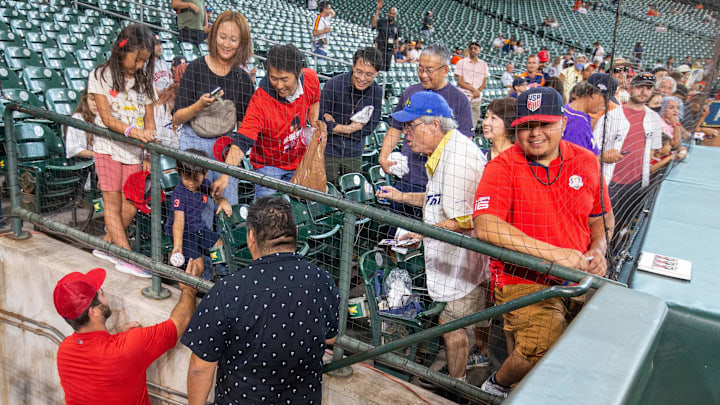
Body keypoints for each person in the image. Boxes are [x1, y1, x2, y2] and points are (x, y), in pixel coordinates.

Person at [473, 87, 613, 398]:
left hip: (580, 270)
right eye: (526, 126)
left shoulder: (587, 160)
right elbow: (486, 226)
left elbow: (600, 217)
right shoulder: (502, 166)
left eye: (545, 124)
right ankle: (495, 384)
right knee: (540, 345)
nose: (535, 134)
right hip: (525, 276)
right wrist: (554, 256)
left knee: (595, 342)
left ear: (563, 122)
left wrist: (598, 249)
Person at [376, 91, 491, 380]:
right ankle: (462, 373)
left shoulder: (457, 160)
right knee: (453, 325)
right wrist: (402, 195)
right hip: (455, 261)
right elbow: (437, 198)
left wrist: (423, 234)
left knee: (452, 327)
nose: (405, 134)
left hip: (465, 263)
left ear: (434, 126)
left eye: (411, 126)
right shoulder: (445, 150)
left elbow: (466, 220)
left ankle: (458, 385)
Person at [182, 196, 340, 404]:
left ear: (251, 238)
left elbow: (200, 368)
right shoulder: (323, 280)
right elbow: (330, 338)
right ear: (295, 234)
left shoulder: (229, 291)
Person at [55, 264, 202, 404]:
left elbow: (98, 365)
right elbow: (182, 320)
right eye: (102, 294)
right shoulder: (126, 348)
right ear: (94, 312)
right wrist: (188, 289)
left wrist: (120, 339)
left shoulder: (64, 350)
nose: (105, 295)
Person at [378, 44, 472, 225]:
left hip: (438, 184)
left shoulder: (459, 100)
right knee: (397, 235)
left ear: (445, 70)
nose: (422, 74)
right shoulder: (411, 92)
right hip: (407, 176)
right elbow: (396, 128)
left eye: (429, 70)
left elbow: (464, 145)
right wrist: (383, 156)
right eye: (420, 68)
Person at [217, 44, 321, 199]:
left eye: (285, 79)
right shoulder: (260, 100)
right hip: (268, 166)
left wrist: (313, 118)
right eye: (273, 78)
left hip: (298, 161)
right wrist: (225, 175)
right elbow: (243, 139)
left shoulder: (311, 78)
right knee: (267, 215)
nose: (279, 85)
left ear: (299, 73)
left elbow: (315, 100)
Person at [88, 24, 157, 260]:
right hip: (107, 147)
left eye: (144, 61)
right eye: (137, 59)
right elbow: (106, 118)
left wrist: (147, 151)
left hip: (134, 152)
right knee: (112, 201)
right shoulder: (100, 75)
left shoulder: (143, 82)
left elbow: (150, 120)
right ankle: (127, 256)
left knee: (131, 203)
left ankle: (109, 245)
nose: (139, 66)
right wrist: (133, 132)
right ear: (122, 49)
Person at [173, 11, 255, 206]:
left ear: (241, 42)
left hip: (225, 146)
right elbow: (177, 118)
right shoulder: (195, 68)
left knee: (228, 204)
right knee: (195, 208)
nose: (226, 44)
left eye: (233, 39)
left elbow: (244, 127)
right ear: (213, 36)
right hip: (193, 143)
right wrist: (199, 106)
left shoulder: (242, 79)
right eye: (222, 37)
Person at [593, 72, 662, 243]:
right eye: (640, 87)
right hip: (611, 182)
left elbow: (652, 152)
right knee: (600, 228)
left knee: (623, 228)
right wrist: (603, 157)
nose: (643, 91)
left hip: (637, 185)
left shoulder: (654, 118)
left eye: (648, 88)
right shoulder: (612, 115)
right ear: (631, 88)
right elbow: (592, 150)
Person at [166, 149, 232, 279]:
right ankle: (197, 285)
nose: (191, 183)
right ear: (179, 173)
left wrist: (222, 201)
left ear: (205, 174)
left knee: (218, 244)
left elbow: (215, 195)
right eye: (186, 178)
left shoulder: (204, 185)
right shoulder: (179, 193)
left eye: (195, 179)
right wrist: (178, 246)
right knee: (198, 263)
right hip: (183, 233)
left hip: (199, 228)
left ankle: (220, 273)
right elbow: (178, 221)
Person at [320, 47, 383, 184]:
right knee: (327, 190)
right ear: (353, 66)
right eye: (359, 71)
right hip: (329, 149)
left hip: (354, 151)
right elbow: (320, 120)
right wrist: (350, 128)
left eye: (368, 74)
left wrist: (335, 127)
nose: (362, 78)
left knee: (353, 189)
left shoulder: (377, 92)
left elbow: (371, 125)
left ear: (376, 73)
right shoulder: (333, 84)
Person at [564, 74, 618, 155]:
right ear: (593, 94)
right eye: (606, 99)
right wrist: (603, 158)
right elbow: (575, 163)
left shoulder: (572, 111)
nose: (607, 104)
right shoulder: (577, 125)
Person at [455, 39, 490, 127]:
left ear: (479, 50)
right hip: (463, 97)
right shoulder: (461, 62)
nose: (473, 50)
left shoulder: (484, 64)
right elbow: (460, 82)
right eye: (472, 48)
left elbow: (483, 84)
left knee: (471, 127)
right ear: (469, 50)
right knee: (459, 124)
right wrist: (474, 90)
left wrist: (476, 92)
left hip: (476, 99)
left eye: (476, 48)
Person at [65, 89, 97, 160]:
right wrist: (99, 156)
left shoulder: (111, 119)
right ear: (86, 100)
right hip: (85, 164)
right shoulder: (78, 118)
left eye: (99, 100)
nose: (95, 103)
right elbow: (73, 149)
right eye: (92, 99)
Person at [371, 0, 399, 72]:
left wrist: (396, 48)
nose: (391, 15)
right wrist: (378, 10)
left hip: (389, 51)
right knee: (379, 69)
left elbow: (396, 38)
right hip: (380, 49)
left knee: (387, 70)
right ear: (388, 13)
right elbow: (373, 24)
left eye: (393, 14)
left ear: (395, 15)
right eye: (390, 13)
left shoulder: (396, 26)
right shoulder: (382, 21)